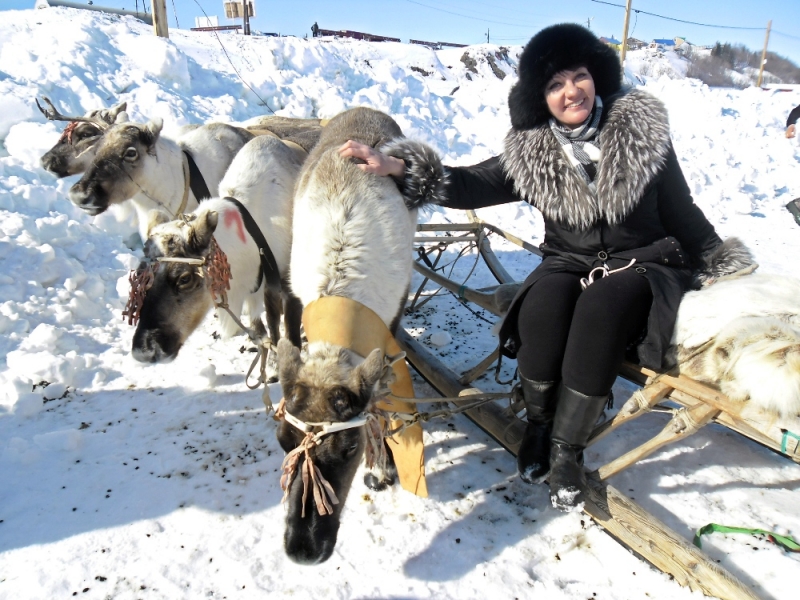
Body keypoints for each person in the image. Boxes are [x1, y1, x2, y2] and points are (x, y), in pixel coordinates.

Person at [339, 23, 754, 511]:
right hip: (568, 260)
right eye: (555, 84)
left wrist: (719, 260)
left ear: (597, 77)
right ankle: (538, 425)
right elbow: (473, 183)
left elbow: (682, 210)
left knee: (600, 308)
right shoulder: (533, 150)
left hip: (641, 263)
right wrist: (399, 168)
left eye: (578, 76)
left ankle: (566, 450)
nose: (570, 91)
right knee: (543, 308)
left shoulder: (642, 133)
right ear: (542, 96)